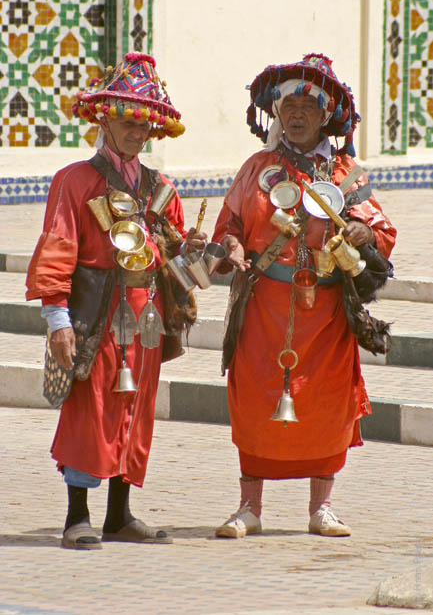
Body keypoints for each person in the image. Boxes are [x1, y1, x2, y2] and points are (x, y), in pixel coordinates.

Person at [25, 52, 206, 550]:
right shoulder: (74, 181)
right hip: (94, 313)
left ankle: (119, 515)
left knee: (136, 407)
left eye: (144, 123)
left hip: (145, 317)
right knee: (90, 408)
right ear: (105, 118)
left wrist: (203, 253)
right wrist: (56, 317)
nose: (136, 131)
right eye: (127, 120)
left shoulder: (162, 188)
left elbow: (177, 256)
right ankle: (76, 516)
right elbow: (58, 248)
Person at [212, 53, 396, 538]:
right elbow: (227, 225)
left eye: (306, 107)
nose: (295, 114)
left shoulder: (345, 174)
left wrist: (360, 231)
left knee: (327, 402)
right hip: (263, 309)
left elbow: (382, 230)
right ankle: (249, 506)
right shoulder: (257, 169)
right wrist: (230, 245)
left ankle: (322, 507)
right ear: (275, 114)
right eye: (287, 105)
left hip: (327, 313)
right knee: (254, 398)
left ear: (325, 115)